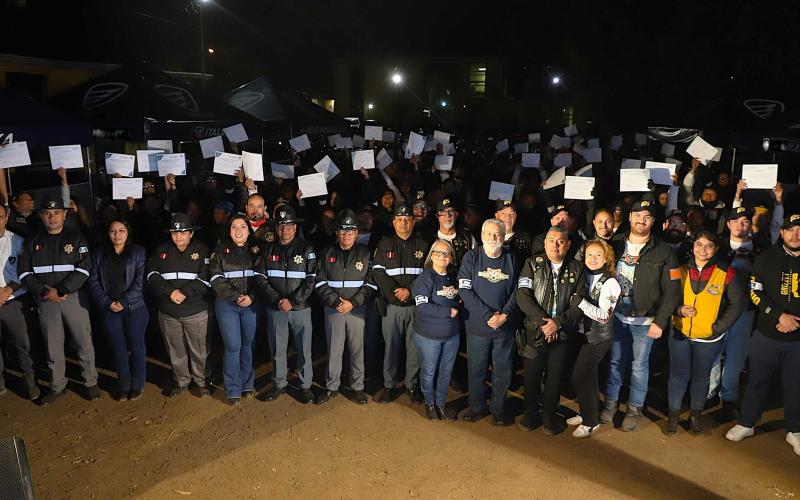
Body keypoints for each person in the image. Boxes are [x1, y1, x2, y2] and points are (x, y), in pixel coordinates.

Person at [601, 199, 681, 431]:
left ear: (653, 221)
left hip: (645, 322)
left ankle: (634, 408)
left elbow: (673, 291)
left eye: (647, 217)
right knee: (615, 362)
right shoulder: (614, 244)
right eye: (637, 215)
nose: (641, 221)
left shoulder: (664, 251)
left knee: (639, 366)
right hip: (616, 318)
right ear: (629, 218)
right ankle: (610, 403)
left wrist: (660, 321)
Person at [726, 212, 800, 457]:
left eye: (799, 229)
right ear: (782, 232)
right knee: (756, 381)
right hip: (766, 334)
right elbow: (755, 293)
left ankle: (795, 430)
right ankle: (747, 423)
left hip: (798, 338)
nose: (795, 234)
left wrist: (794, 322)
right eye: (790, 229)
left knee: (795, 386)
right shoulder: (766, 258)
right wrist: (779, 316)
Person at [18, 196, 97, 406]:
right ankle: (57, 386)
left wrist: (62, 289)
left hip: (73, 298)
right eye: (47, 213)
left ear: (64, 215)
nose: (52, 217)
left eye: (56, 213)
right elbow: (24, 272)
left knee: (83, 342)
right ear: (41, 216)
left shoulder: (77, 238)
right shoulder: (32, 241)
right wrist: (45, 291)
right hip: (46, 300)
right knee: (52, 346)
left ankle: (90, 382)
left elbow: (84, 268)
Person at [667, 230, 746, 436]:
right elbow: (668, 296)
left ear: (716, 249)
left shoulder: (726, 272)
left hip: (709, 338)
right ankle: (673, 417)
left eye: (709, 245)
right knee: (678, 375)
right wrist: (678, 310)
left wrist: (718, 327)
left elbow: (738, 304)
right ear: (692, 246)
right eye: (699, 244)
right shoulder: (678, 269)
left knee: (701, 378)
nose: (703, 250)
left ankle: (695, 417)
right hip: (680, 333)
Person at [516, 227, 584, 435]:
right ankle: (529, 415)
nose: (556, 245)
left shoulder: (577, 268)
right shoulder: (532, 264)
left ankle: (548, 417)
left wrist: (558, 323)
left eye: (561, 241)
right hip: (534, 332)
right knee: (531, 376)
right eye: (551, 240)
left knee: (555, 378)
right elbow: (522, 295)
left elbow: (579, 305)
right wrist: (544, 323)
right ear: (544, 243)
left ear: (568, 244)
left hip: (562, 334)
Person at [457, 218, 519, 425]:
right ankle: (476, 407)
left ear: (503, 236)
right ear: (482, 236)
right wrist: (487, 316)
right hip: (477, 326)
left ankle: (498, 409)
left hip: (504, 327)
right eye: (488, 234)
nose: (493, 238)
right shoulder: (471, 257)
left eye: (497, 234)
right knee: (476, 370)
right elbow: (465, 290)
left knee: (502, 371)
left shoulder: (512, 259)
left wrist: (504, 315)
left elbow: (518, 291)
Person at [314, 208, 377, 405]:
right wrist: (335, 302)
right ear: (336, 233)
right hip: (333, 309)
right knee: (334, 349)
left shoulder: (365, 254)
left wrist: (353, 303)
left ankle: (357, 387)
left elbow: (371, 284)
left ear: (357, 233)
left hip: (356, 309)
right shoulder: (327, 253)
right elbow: (319, 282)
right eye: (342, 231)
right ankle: (332, 386)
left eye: (350, 231)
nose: (347, 235)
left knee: (357, 349)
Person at [146, 213, 211, 398]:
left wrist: (184, 293)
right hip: (168, 311)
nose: (178, 236)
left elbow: (206, 277)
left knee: (199, 349)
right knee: (175, 349)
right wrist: (170, 292)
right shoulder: (161, 250)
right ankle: (182, 381)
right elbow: (151, 275)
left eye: (183, 232)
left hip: (195, 310)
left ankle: (201, 381)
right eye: (175, 232)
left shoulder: (202, 249)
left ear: (191, 233)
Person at [708, 207, 762, 421]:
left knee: (736, 358)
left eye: (745, 221)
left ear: (751, 225)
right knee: (712, 353)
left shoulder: (761, 249)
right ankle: (709, 393)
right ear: (728, 224)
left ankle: (728, 398)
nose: (741, 224)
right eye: (736, 220)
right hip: (717, 310)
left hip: (745, 313)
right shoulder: (717, 249)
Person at [260, 206, 317, 404]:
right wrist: (278, 300)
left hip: (300, 308)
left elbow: (311, 278)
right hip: (276, 309)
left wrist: (292, 301)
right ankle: (279, 383)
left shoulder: (306, 249)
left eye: (289, 226)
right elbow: (261, 278)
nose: (285, 230)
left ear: (295, 227)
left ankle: (305, 386)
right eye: (281, 226)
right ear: (276, 228)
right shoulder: (268, 250)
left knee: (304, 350)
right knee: (277, 349)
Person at [372, 202, 428, 404]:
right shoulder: (384, 245)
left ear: (413, 221)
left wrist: (410, 292)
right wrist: (395, 293)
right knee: (391, 347)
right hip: (393, 306)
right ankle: (389, 385)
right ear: (393, 222)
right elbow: (377, 272)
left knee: (414, 348)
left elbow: (428, 275)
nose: (403, 223)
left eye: (407, 219)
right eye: (400, 219)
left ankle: (411, 385)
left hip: (415, 307)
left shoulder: (423, 245)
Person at [87, 219, 148, 401]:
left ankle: (137, 383)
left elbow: (140, 281)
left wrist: (123, 300)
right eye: (113, 231)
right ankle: (124, 384)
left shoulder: (138, 252)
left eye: (121, 230)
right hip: (109, 308)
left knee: (137, 347)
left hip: (134, 307)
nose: (117, 235)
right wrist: (106, 302)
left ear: (128, 232)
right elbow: (92, 280)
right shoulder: (98, 254)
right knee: (118, 348)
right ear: (107, 233)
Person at [209, 214, 267, 405]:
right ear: (229, 230)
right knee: (233, 345)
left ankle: (247, 384)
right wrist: (236, 296)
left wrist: (252, 297)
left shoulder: (257, 250)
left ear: (249, 230)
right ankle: (233, 389)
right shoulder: (220, 251)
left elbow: (263, 278)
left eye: (243, 226)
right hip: (227, 305)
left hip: (251, 303)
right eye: (234, 227)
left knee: (248, 344)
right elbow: (216, 279)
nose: (239, 231)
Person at [568, 239, 621, 438]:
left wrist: (580, 302)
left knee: (580, 376)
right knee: (588, 377)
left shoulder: (610, 282)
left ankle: (590, 422)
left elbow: (604, 315)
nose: (593, 258)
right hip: (584, 334)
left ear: (606, 257)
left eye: (598, 254)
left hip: (598, 338)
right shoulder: (584, 275)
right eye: (589, 254)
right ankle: (587, 415)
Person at [411, 239, 461, 421]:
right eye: (438, 253)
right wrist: (448, 311)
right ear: (431, 256)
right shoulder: (425, 278)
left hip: (451, 335)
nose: (442, 256)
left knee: (446, 371)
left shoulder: (453, 277)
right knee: (429, 371)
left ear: (451, 258)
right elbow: (423, 307)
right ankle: (429, 402)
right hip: (428, 335)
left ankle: (440, 403)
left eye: (446, 253)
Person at [0, 203, 38, 401]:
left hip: (14, 300)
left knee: (23, 343)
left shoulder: (18, 241)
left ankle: (30, 382)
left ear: (6, 217)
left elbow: (25, 271)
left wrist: (7, 290)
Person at [433, 197, 475, 268]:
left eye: (451, 211)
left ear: (456, 214)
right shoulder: (430, 238)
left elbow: (474, 262)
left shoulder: (467, 237)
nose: (447, 215)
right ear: (437, 216)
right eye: (443, 212)